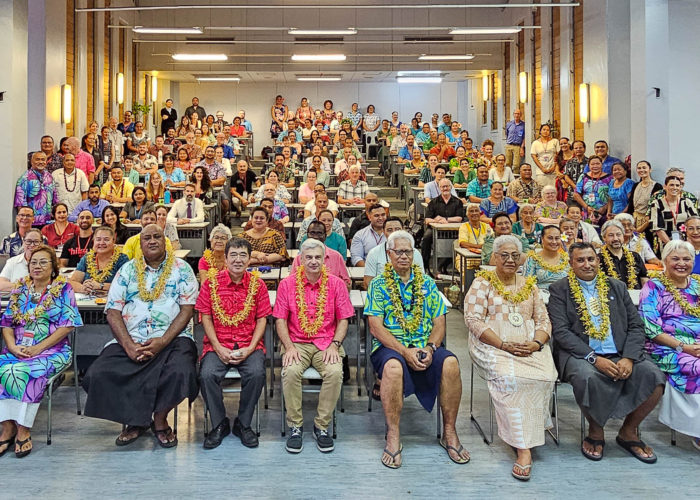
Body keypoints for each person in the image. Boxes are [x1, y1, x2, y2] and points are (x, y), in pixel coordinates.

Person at [82, 224, 198, 448]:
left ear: (165, 241)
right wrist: (128, 345)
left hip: (173, 338)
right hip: (131, 337)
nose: (152, 241)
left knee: (181, 371)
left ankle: (160, 419)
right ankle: (135, 419)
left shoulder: (181, 268)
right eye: (147, 238)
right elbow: (113, 310)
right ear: (140, 243)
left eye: (157, 236)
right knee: (97, 373)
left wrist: (162, 341)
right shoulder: (126, 270)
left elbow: (187, 309)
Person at [548, 242, 665, 463]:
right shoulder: (559, 289)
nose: (587, 264)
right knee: (587, 377)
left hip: (621, 352)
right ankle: (595, 432)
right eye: (580, 260)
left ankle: (628, 432)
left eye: (591, 259)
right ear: (571, 264)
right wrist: (594, 358)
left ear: (598, 261)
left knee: (655, 377)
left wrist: (629, 358)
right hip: (581, 354)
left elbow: (636, 326)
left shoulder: (617, 287)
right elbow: (561, 333)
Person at [365, 231, 469, 468]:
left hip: (424, 344)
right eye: (398, 252)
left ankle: (450, 432)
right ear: (388, 254)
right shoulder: (379, 285)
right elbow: (375, 327)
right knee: (392, 367)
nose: (403, 256)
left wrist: (431, 348)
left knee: (451, 363)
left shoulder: (428, 283)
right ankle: (393, 436)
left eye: (408, 251)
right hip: (391, 346)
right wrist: (404, 351)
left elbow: (439, 321)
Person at [465, 235, 557, 479]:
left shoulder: (530, 284)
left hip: (528, 346)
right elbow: (473, 320)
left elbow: (543, 320)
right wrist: (503, 344)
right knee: (511, 379)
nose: (509, 260)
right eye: (504, 255)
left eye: (515, 256)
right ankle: (523, 449)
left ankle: (531, 429)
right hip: (492, 344)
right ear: (494, 257)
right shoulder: (482, 283)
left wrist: (536, 343)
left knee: (546, 375)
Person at [0, 245, 82, 458]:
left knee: (25, 371)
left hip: (52, 351)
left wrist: (38, 347)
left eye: (43, 262)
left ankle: (23, 429)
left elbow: (69, 325)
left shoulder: (63, 289)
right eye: (34, 262)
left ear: (54, 267)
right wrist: (12, 347)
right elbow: (7, 323)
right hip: (18, 349)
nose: (37, 266)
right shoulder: (20, 288)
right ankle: (7, 426)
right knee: (5, 367)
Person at [273, 238, 354, 453]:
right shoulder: (287, 284)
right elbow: (280, 319)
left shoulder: (336, 284)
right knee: (289, 372)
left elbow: (344, 318)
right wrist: (288, 347)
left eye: (318, 257)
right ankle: (295, 425)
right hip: (296, 343)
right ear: (300, 260)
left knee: (336, 372)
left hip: (327, 343)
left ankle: (322, 426)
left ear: (324, 261)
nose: (313, 261)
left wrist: (335, 345)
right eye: (308, 257)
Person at [196, 237, 270, 449]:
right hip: (217, 343)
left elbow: (262, 319)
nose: (238, 260)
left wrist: (250, 348)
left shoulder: (259, 285)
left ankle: (243, 423)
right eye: (233, 255)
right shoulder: (211, 283)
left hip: (249, 343)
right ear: (226, 259)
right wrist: (218, 347)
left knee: (257, 373)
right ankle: (219, 423)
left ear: (249, 260)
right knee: (207, 374)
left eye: (243, 255)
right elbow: (205, 316)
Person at [638, 240, 700, 449]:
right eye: (675, 259)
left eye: (686, 259)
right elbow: (651, 328)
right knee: (694, 366)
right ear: (664, 261)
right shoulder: (654, 286)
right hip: (667, 346)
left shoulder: (698, 284)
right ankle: (696, 430)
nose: (681, 263)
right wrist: (683, 347)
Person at [363, 218, 424, 289]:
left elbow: (421, 279)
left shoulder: (414, 252)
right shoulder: (374, 253)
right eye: (389, 230)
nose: (394, 233)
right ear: (383, 231)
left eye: (397, 229)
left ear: (403, 230)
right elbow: (368, 282)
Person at [69, 226, 129, 296]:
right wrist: (83, 288)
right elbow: (73, 282)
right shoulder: (87, 257)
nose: (102, 243)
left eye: (106, 239)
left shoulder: (122, 259)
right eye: (98, 239)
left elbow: (126, 285)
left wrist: (101, 286)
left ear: (113, 241)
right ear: (93, 241)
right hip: (88, 301)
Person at [422, 179, 465, 275]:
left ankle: (444, 265)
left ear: (450, 187)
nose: (445, 188)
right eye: (443, 187)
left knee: (460, 240)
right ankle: (426, 267)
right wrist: (437, 221)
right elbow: (427, 220)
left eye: (447, 186)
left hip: (453, 229)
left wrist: (446, 219)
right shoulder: (433, 202)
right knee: (426, 238)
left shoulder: (458, 202)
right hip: (434, 228)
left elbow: (459, 218)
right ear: (439, 188)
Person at [293, 221, 350, 288]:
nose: (315, 236)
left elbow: (346, 282)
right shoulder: (299, 258)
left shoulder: (337, 257)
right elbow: (293, 282)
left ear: (325, 236)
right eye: (312, 233)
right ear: (307, 235)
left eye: (319, 233)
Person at [650, 175, 698, 249]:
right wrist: (671, 246)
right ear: (665, 187)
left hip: (687, 243)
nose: (675, 188)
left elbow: (695, 222)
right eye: (671, 185)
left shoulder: (687, 202)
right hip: (665, 244)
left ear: (680, 187)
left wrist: (687, 243)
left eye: (677, 185)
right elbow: (657, 228)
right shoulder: (657, 203)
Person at [598, 220, 648, 290]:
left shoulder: (635, 256)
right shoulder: (598, 259)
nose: (615, 239)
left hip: (635, 298)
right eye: (611, 235)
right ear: (604, 238)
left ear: (623, 236)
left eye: (618, 235)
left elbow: (644, 280)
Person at [14, 152, 58, 226]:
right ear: (31, 162)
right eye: (37, 159)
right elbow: (20, 204)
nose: (40, 162)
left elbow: (55, 199)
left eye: (43, 160)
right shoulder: (24, 178)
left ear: (46, 162)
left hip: (48, 222)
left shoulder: (49, 176)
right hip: (31, 223)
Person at [523, 225, 570, 290]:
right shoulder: (533, 259)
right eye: (550, 238)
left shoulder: (567, 259)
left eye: (557, 238)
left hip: (564, 296)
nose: (554, 242)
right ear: (542, 239)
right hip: (540, 296)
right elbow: (527, 284)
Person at [627, 160, 662, 242]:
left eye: (644, 168)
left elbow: (656, 208)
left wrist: (643, 226)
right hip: (634, 221)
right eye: (639, 168)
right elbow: (631, 205)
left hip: (648, 223)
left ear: (650, 169)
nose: (641, 170)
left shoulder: (657, 186)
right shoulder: (636, 185)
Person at [573, 155, 612, 226]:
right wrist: (586, 207)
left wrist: (604, 208)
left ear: (602, 164)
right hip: (587, 211)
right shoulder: (583, 177)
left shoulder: (610, 178)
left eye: (597, 164)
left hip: (604, 212)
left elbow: (612, 195)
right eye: (592, 164)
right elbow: (576, 194)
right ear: (589, 165)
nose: (595, 166)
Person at [505, 108, 526, 172]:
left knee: (516, 165)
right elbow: (507, 133)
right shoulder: (509, 124)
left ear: (521, 115)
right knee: (508, 163)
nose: (517, 115)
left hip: (517, 146)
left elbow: (525, 137)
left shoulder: (523, 125)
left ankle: (515, 178)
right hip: (509, 145)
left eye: (518, 114)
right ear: (513, 115)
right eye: (515, 114)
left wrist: (522, 147)